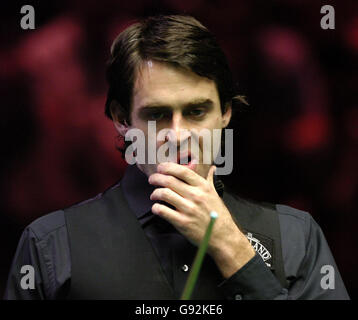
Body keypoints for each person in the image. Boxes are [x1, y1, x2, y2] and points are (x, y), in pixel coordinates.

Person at [4, 14, 349, 300]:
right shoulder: (50, 245)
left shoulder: (295, 236)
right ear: (123, 119)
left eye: (197, 111)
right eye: (157, 115)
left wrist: (233, 249)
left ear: (226, 113)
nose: (178, 133)